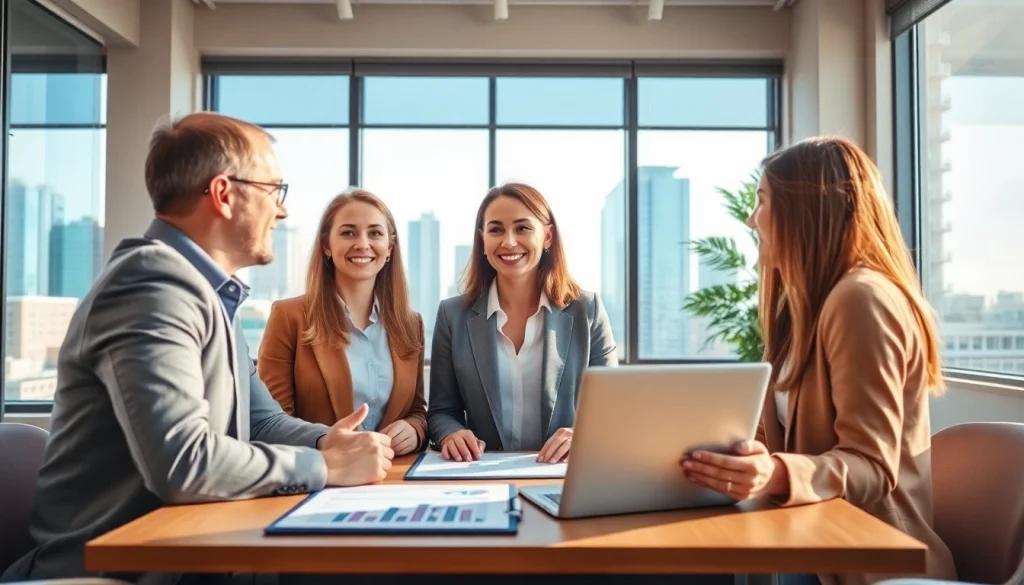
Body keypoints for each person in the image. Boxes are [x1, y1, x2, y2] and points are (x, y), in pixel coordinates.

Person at [0, 112, 393, 585]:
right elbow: (183, 462)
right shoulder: (150, 284)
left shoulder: (211, 294)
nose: (282, 211)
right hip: (119, 573)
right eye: (274, 191)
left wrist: (328, 440)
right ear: (224, 194)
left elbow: (261, 421)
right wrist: (324, 465)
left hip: (190, 554)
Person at [679, 137, 958, 585]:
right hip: (811, 544)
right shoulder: (801, 309)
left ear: (805, 209)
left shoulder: (862, 298)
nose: (751, 219)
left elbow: (872, 465)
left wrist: (774, 474)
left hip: (869, 564)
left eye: (762, 201)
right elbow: (774, 438)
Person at [427, 182, 617, 464]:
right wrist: (451, 433)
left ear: (547, 236)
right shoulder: (452, 315)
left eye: (523, 228)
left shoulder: (587, 310)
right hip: (480, 471)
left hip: (562, 471)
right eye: (496, 230)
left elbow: (612, 410)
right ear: (482, 240)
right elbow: (441, 411)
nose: (509, 242)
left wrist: (582, 434)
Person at [259, 189, 427, 456]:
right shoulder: (288, 317)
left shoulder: (411, 324)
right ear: (326, 246)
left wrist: (414, 430)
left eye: (375, 233)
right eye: (348, 233)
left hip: (394, 472)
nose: (362, 244)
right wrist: (327, 443)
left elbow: (417, 410)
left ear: (390, 248)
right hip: (321, 472)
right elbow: (270, 424)